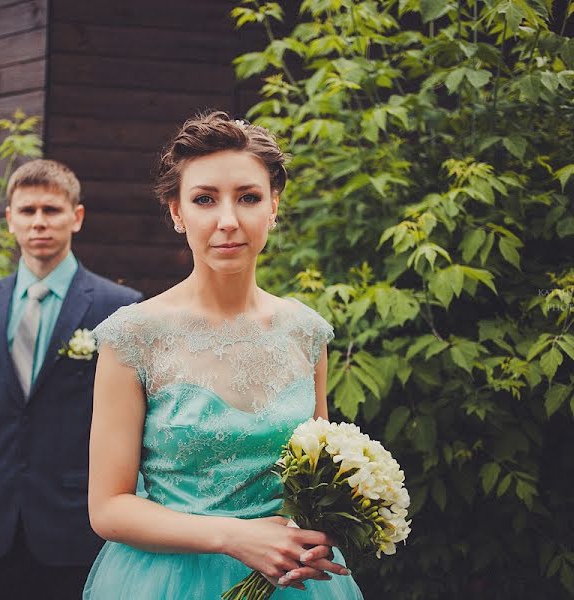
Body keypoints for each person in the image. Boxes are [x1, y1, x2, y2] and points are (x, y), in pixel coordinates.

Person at [83, 112, 364, 599]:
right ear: (177, 213)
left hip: (292, 583)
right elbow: (108, 507)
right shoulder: (133, 337)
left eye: (249, 198)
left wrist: (324, 528)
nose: (228, 221)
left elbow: (317, 477)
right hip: (168, 581)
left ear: (273, 207)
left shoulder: (307, 333)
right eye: (204, 199)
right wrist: (233, 537)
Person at [0, 159, 143, 600]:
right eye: (27, 211)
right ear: (10, 220)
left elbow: (135, 420)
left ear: (76, 217)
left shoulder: (119, 307)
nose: (39, 222)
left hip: (79, 518)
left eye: (51, 210)